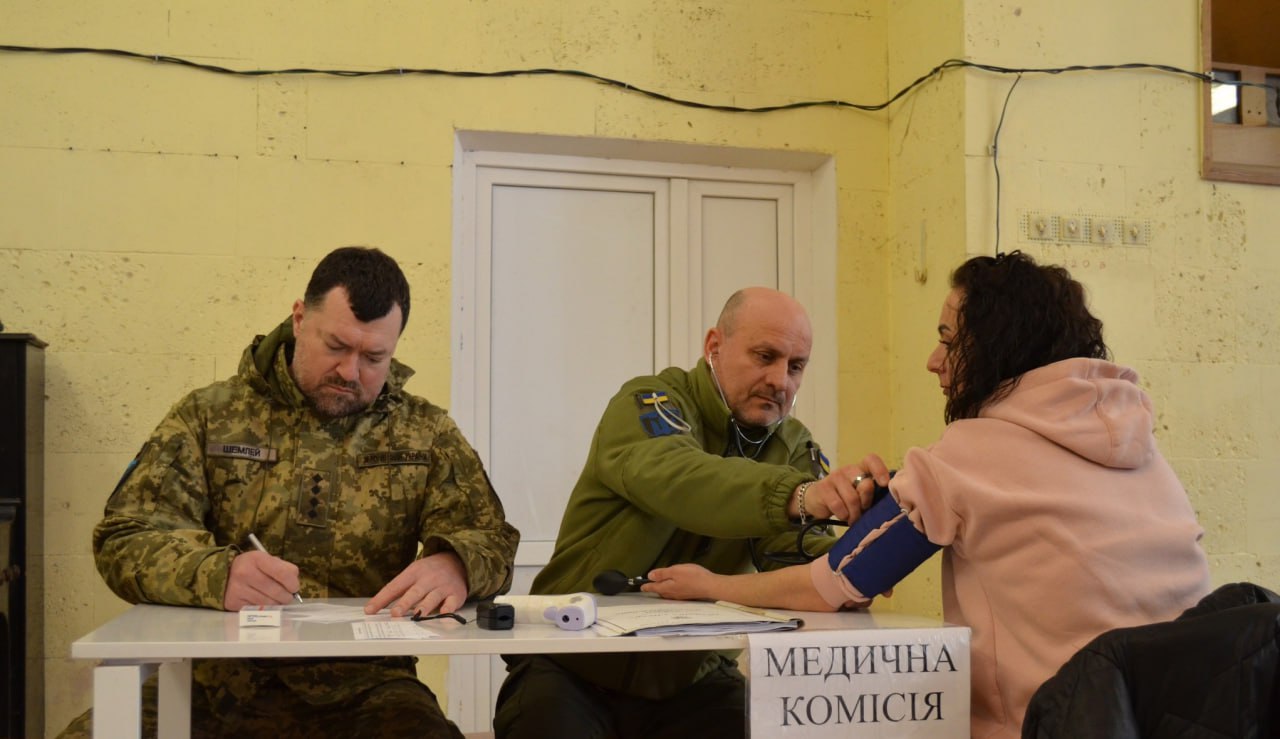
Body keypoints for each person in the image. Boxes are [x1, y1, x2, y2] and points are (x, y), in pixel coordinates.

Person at [643, 252, 1213, 739]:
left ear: (993, 347)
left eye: (947, 340)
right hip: (1184, 719)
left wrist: (712, 587)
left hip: (1049, 723)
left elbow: (831, 585)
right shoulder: (1143, 451)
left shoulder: (967, 455)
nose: (933, 361)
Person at [59, 247, 519, 739]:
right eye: (336, 346)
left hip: (369, 686)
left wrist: (455, 564)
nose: (350, 372)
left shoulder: (423, 432)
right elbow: (125, 537)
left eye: (374, 358)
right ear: (299, 319)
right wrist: (216, 573)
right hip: (211, 682)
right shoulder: (210, 416)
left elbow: (491, 538)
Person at [493, 287, 871, 739]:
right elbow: (679, 479)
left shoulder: (793, 447)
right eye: (765, 356)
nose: (780, 381)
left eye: (795, 366)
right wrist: (799, 495)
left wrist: (861, 555)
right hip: (573, 662)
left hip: (694, 677)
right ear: (714, 346)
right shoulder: (649, 402)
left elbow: (794, 554)